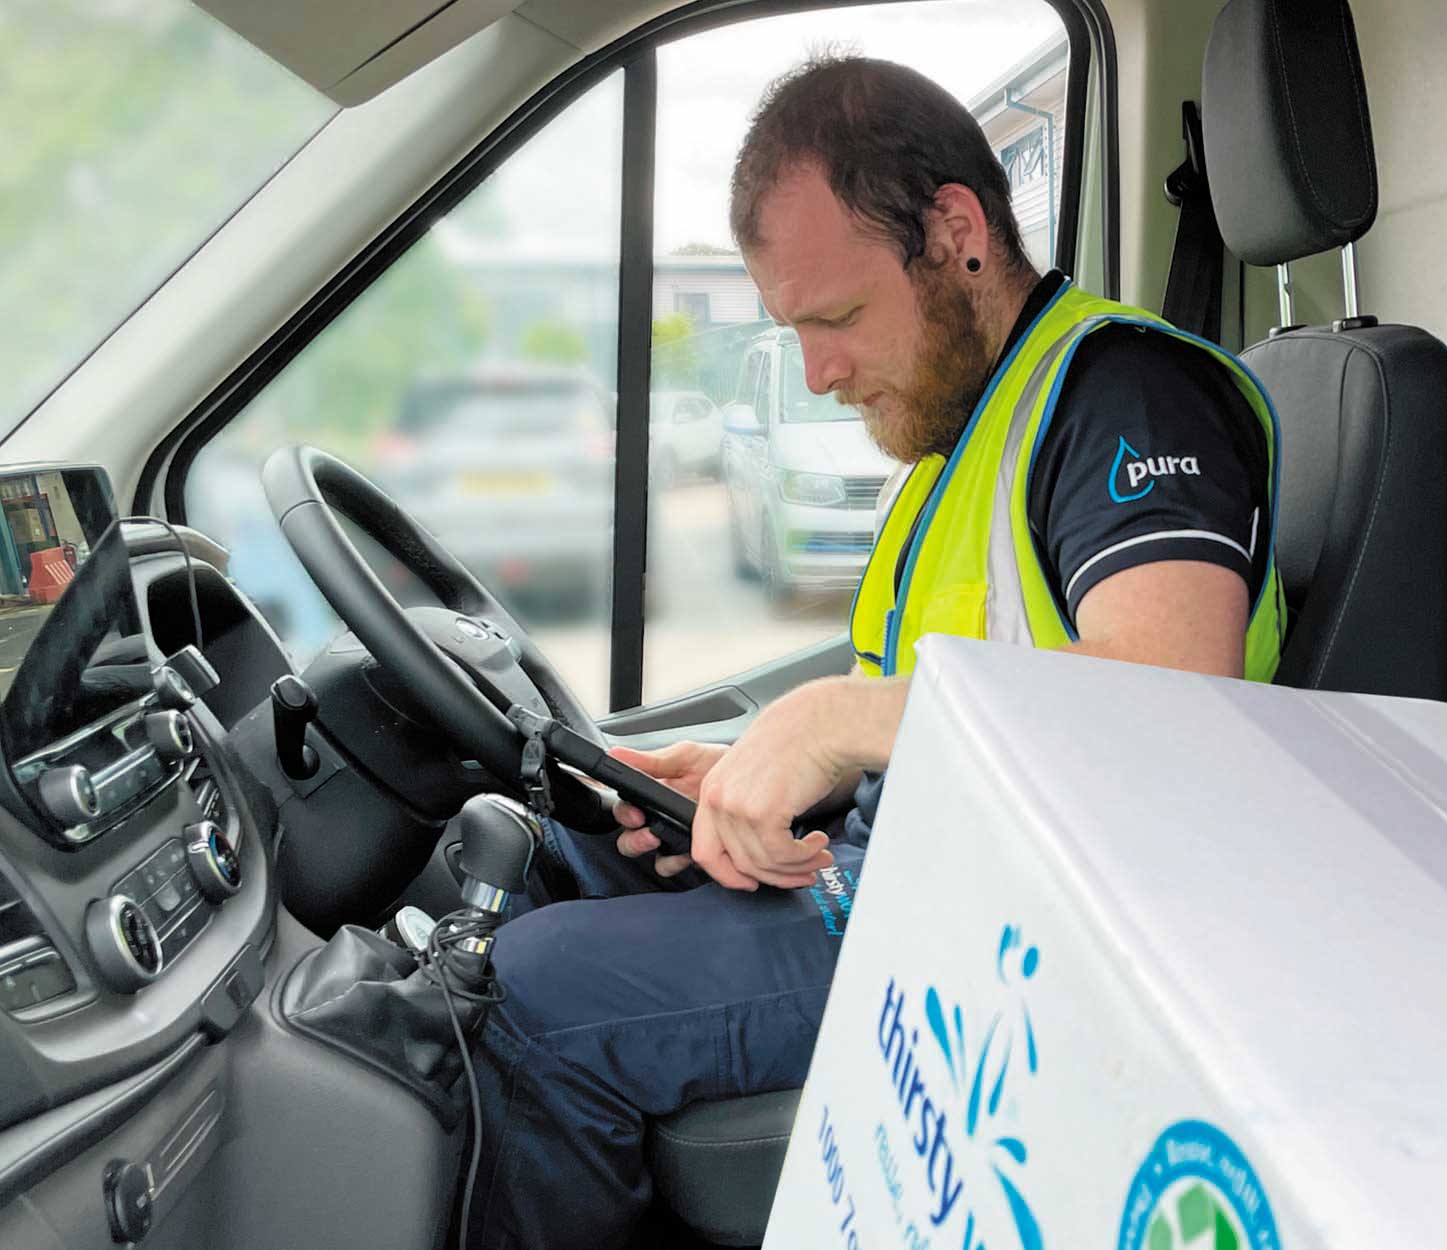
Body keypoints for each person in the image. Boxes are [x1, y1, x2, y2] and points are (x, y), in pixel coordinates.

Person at [469, 55, 1285, 1249]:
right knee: (552, 844)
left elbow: (1172, 704)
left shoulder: (1127, 393)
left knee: (536, 993)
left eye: (836, 318)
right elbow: (917, 703)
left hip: (1016, 931)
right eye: (794, 330)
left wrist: (831, 727)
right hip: (897, 863)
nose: (817, 372)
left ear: (955, 228)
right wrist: (756, 761)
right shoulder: (963, 436)